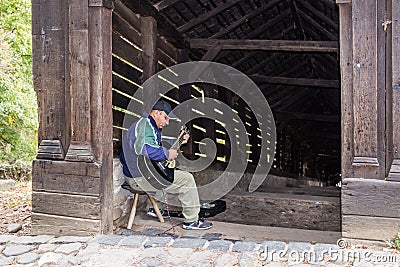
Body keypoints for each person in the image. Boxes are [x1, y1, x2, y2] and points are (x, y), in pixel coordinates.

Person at [120, 100, 213, 230]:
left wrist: (180, 141)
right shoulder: (145, 125)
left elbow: (157, 146)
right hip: (138, 179)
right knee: (187, 179)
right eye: (165, 117)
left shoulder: (149, 126)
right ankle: (191, 221)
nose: (167, 122)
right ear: (157, 113)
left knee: (164, 171)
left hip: (138, 175)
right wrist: (167, 154)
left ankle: (155, 208)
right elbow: (146, 149)